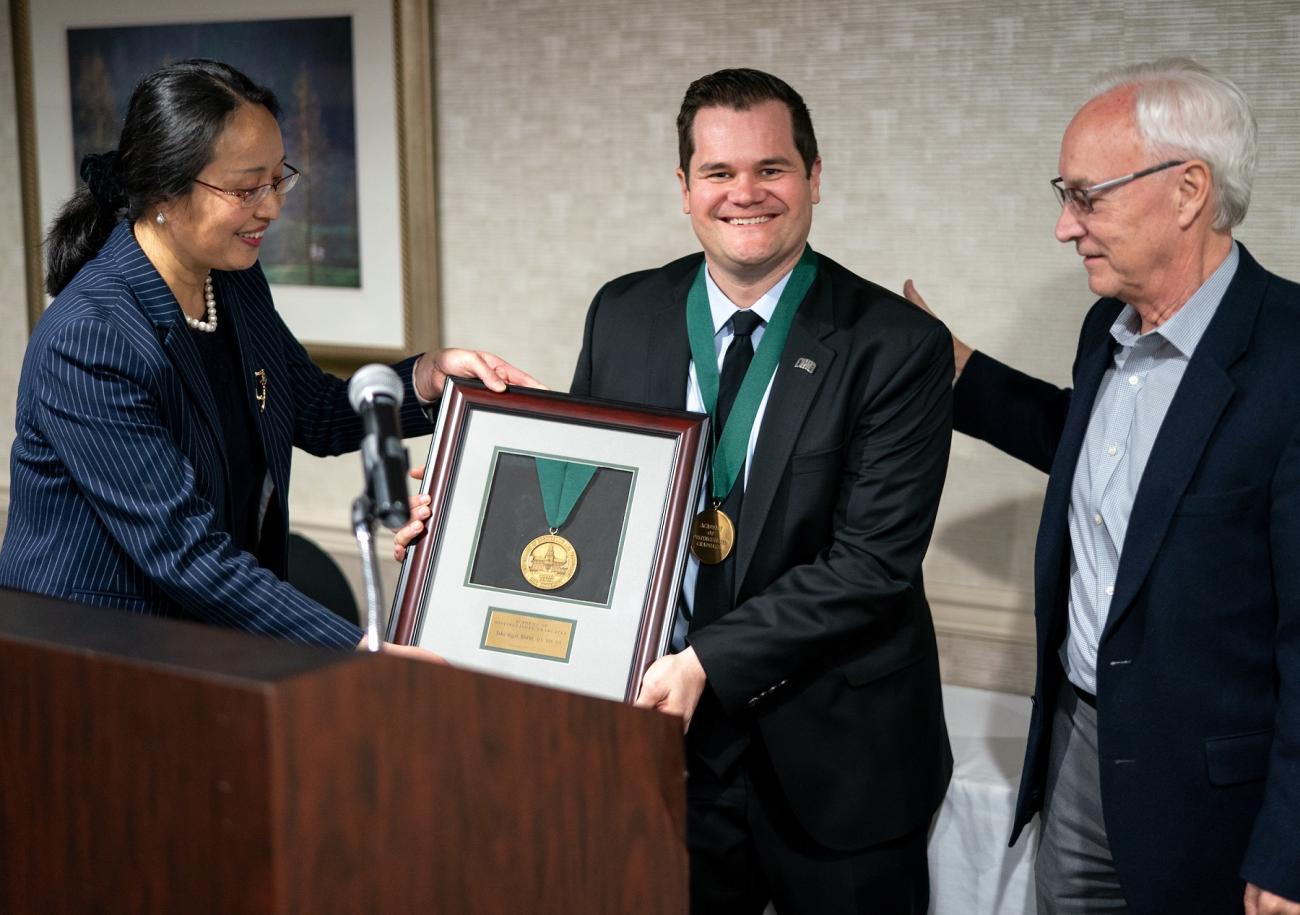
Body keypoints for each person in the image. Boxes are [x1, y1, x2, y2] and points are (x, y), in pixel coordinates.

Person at [411, 67, 954, 914]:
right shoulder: (623, 313)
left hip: (838, 755)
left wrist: (707, 660)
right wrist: (469, 511)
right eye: (719, 173)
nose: (746, 193)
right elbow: (595, 503)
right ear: (685, 188)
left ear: (815, 177)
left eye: (771, 169)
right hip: (665, 742)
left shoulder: (895, 344)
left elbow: (871, 565)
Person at [906, 58, 1300, 915]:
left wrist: (1290, 844)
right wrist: (960, 370)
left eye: (1087, 196)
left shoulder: (1291, 358)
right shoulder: (1104, 327)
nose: (1063, 226)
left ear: (1188, 189)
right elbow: (1100, 454)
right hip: (1080, 745)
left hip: (1215, 798)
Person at [0, 59, 536, 651]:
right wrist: (362, 653)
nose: (272, 208)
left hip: (205, 652)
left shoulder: (231, 282)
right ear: (163, 190)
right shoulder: (92, 337)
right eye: (245, 188)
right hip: (92, 663)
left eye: (278, 180)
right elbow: (183, 550)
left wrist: (427, 378)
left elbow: (314, 409)